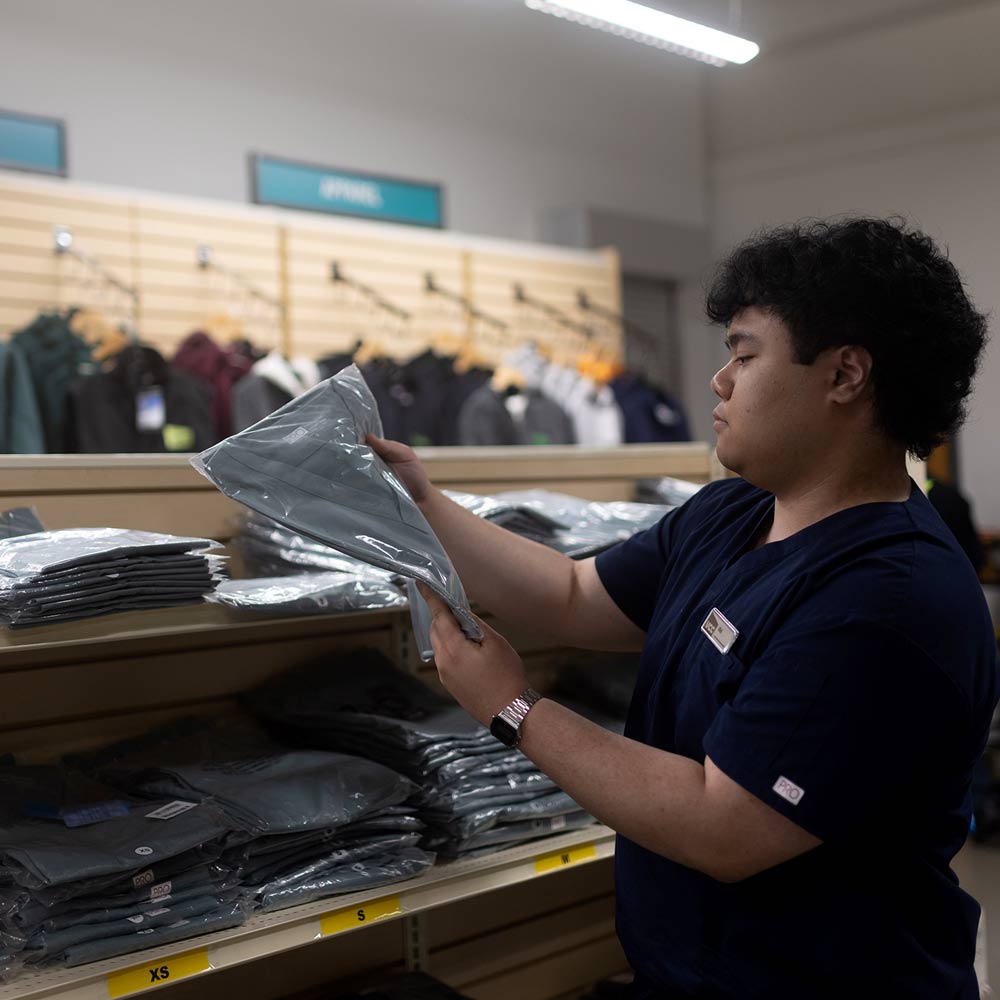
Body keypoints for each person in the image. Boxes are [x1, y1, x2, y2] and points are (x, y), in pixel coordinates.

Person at [368, 217, 999, 998]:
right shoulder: (731, 513)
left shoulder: (887, 601)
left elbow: (724, 825)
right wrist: (425, 503)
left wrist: (512, 706)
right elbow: (574, 593)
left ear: (844, 376)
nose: (719, 381)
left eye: (744, 354)